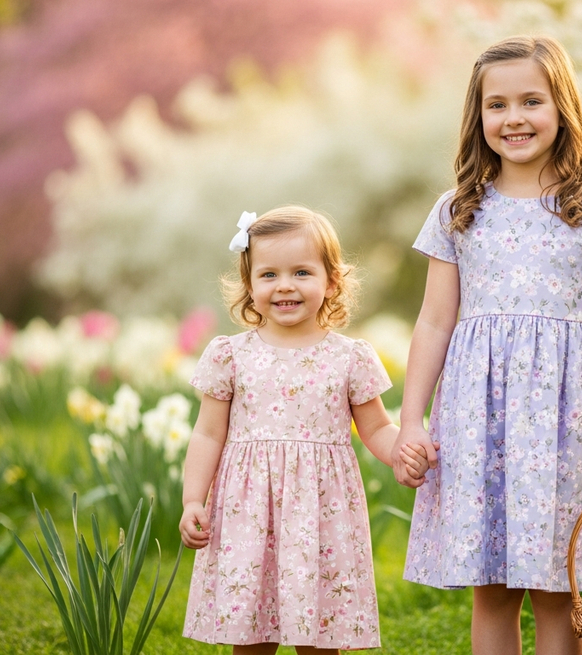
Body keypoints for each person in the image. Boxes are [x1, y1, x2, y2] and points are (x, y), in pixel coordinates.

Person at [391, 35, 582, 655]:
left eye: (532, 101)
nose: (513, 118)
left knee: (559, 585)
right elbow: (433, 322)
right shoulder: (459, 209)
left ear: (563, 108)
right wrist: (411, 419)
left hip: (567, 421)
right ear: (477, 116)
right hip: (478, 417)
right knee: (493, 587)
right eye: (497, 105)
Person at [179, 206, 430, 654]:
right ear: (250, 284)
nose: (285, 285)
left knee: (319, 630)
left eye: (301, 272)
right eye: (269, 274)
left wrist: (403, 452)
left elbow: (375, 428)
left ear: (332, 281)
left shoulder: (349, 357)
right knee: (251, 631)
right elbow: (208, 434)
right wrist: (193, 499)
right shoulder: (230, 355)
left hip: (321, 515)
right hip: (249, 517)